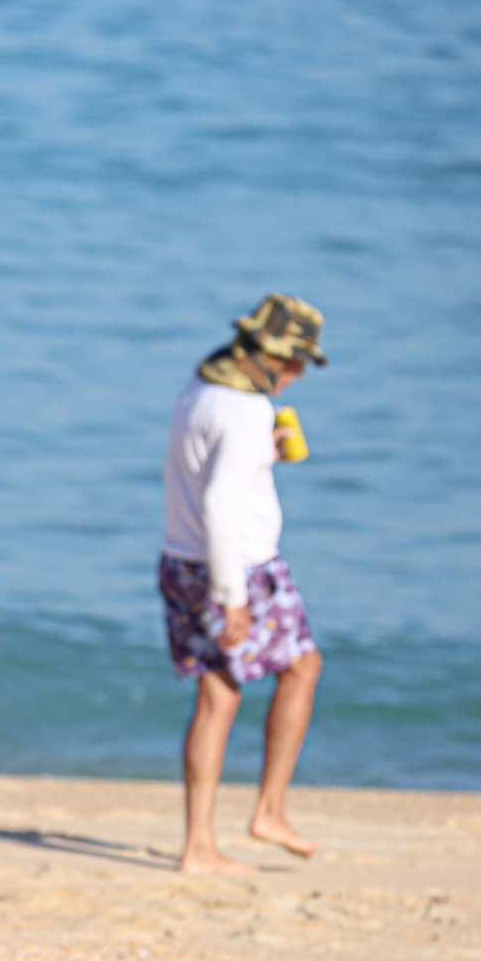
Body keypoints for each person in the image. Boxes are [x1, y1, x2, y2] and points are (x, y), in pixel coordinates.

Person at [159, 292, 328, 876]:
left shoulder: (199, 388)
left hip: (181, 558)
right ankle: (270, 810)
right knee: (303, 667)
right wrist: (233, 595)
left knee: (217, 697)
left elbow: (205, 476)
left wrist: (264, 456)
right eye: (293, 362)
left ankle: (197, 846)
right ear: (266, 357)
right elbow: (222, 503)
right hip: (238, 567)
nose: (299, 373)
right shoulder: (246, 410)